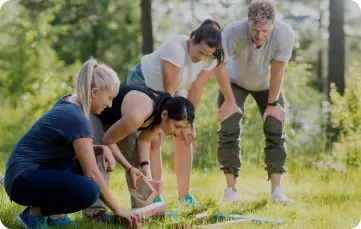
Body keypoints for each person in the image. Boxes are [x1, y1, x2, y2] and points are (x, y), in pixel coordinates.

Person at [4, 58, 141, 229]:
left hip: (21, 175)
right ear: (94, 92)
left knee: (77, 164)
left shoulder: (69, 102)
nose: (110, 104)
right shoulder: (76, 117)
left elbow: (76, 149)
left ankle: (56, 216)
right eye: (110, 98)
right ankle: (33, 215)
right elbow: (92, 172)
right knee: (89, 191)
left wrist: (102, 148)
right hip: (21, 180)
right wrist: (118, 209)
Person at [126, 19, 240, 206]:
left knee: (185, 136)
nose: (201, 58)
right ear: (193, 39)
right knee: (155, 136)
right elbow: (168, 97)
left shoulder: (209, 58)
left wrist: (188, 124)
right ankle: (156, 195)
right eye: (200, 51)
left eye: (207, 55)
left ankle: (184, 197)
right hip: (145, 84)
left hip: (175, 90)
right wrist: (169, 123)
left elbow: (196, 90)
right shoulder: (175, 50)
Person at [214, 0, 295, 203]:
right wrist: (230, 101)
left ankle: (277, 191)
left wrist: (273, 104)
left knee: (275, 128)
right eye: (255, 29)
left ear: (273, 25)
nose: (259, 35)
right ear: (248, 21)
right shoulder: (233, 32)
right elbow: (219, 67)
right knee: (228, 129)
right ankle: (230, 190)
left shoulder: (284, 35)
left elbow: (278, 70)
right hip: (234, 83)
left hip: (268, 86)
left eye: (265, 30)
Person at [83, 84, 196, 219]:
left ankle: (144, 209)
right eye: (177, 126)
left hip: (117, 120)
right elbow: (108, 141)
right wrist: (129, 168)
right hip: (95, 113)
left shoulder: (161, 116)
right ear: (165, 114)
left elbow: (144, 141)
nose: (177, 133)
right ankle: (96, 213)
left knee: (136, 158)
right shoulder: (139, 115)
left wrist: (145, 167)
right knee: (101, 158)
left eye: (181, 128)